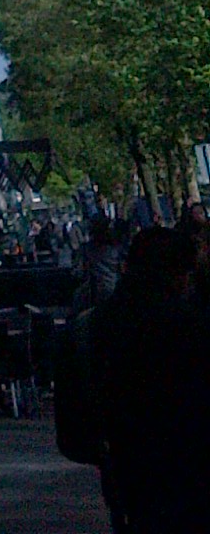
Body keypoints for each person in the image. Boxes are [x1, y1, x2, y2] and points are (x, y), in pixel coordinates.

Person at [92, 220, 210, 533]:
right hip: (189, 471)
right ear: (178, 274)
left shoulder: (100, 322)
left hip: (129, 472)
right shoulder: (187, 324)